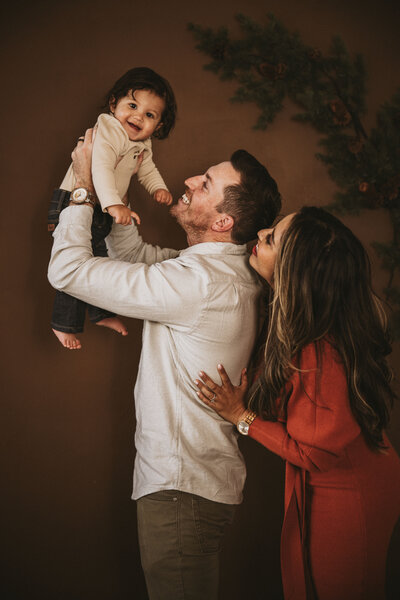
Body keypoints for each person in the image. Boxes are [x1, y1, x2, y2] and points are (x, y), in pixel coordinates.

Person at [47, 130, 282, 600]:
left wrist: (81, 189)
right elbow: (134, 258)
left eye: (207, 183)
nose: (191, 179)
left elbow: (67, 271)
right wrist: (113, 186)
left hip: (181, 493)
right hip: (193, 488)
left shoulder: (201, 284)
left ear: (222, 221)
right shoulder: (218, 272)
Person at [195, 206, 400, 600]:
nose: (262, 231)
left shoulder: (322, 355)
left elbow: (311, 452)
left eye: (272, 238)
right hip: (342, 472)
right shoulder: (304, 324)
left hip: (350, 486)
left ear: (294, 274)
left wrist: (242, 416)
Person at [50, 67, 177, 350]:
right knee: (78, 261)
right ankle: (63, 323)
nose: (137, 117)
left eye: (149, 115)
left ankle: (100, 314)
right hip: (73, 201)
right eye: (132, 105)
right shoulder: (108, 130)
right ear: (113, 104)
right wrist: (114, 204)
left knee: (98, 260)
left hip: (99, 207)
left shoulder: (142, 144)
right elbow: (101, 167)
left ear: (157, 126)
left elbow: (147, 169)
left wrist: (158, 187)